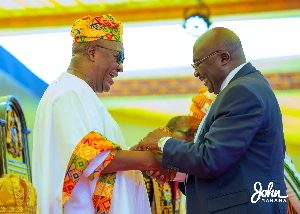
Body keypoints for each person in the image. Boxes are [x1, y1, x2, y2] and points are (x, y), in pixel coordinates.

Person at [136, 27, 287, 213]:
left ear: (223, 58)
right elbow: (231, 164)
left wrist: (162, 142)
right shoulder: (246, 87)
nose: (196, 74)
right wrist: (179, 172)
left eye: (197, 64)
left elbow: (211, 159)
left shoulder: (242, 91)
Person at [32, 14, 172, 214]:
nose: (121, 67)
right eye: (118, 57)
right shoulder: (68, 92)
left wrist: (135, 153)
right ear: (92, 52)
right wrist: (151, 160)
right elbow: (89, 159)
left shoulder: (80, 94)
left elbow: (97, 160)